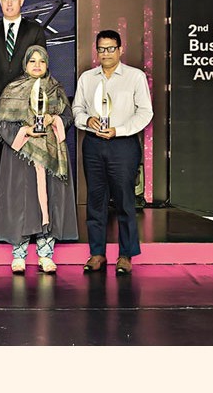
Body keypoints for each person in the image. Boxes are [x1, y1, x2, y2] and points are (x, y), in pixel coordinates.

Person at [0, 45, 77, 274]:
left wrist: (53, 119)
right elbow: (1, 122)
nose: (37, 65)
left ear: (47, 64)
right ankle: (18, 255)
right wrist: (25, 132)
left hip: (50, 155)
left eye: (41, 61)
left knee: (49, 200)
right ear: (25, 64)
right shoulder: (13, 89)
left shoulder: (56, 89)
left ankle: (45, 254)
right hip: (22, 154)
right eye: (32, 61)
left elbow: (68, 116)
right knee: (22, 201)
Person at [72, 30, 153, 275]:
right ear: (96, 51)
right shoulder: (87, 78)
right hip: (94, 144)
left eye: (110, 48)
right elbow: (77, 109)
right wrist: (88, 121)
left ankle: (126, 255)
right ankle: (97, 254)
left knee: (124, 201)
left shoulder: (134, 77)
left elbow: (145, 112)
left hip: (123, 145)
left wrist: (119, 130)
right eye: (101, 49)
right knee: (95, 201)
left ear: (120, 49)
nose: (106, 53)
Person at [0, 0, 47, 239]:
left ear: (22, 1)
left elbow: (39, 66)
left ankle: (28, 222)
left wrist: (17, 95)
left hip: (27, 111)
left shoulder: (35, 30)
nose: (9, 3)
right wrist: (6, 95)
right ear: (0, 2)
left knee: (27, 168)